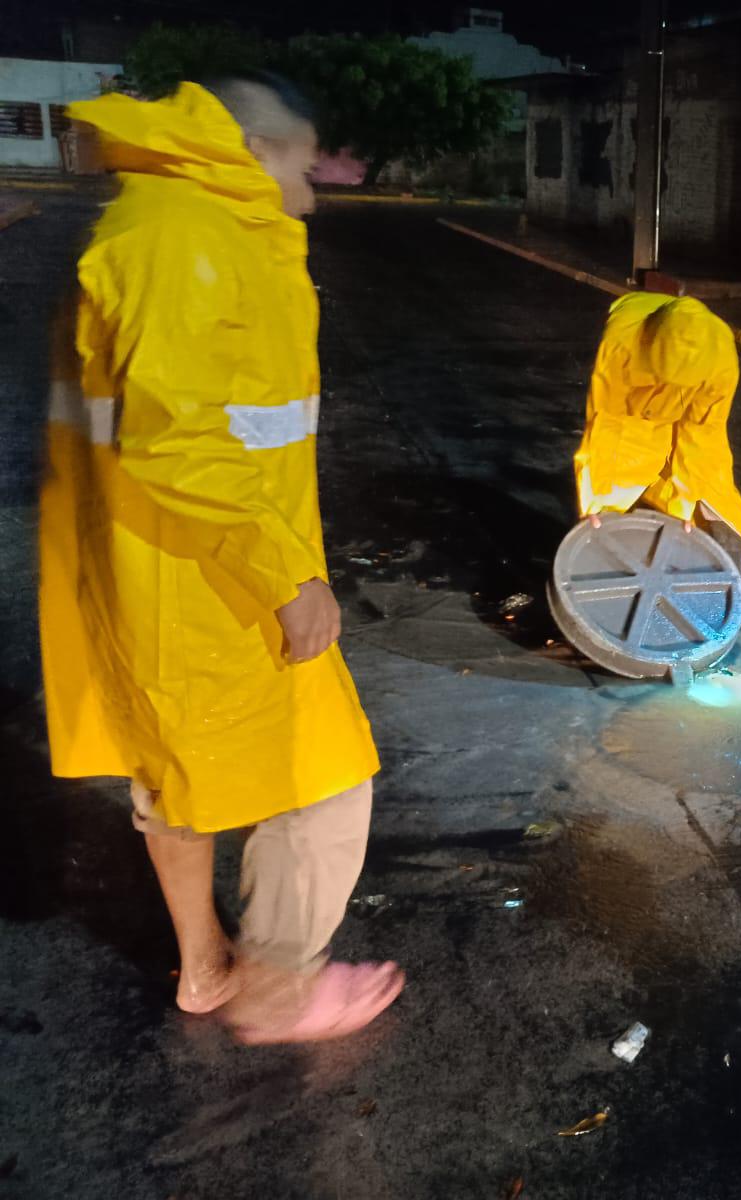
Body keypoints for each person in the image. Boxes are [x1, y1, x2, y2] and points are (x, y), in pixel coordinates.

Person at [37, 74, 402, 1042]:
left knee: (178, 774)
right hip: (205, 577)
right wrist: (283, 575)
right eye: (301, 160)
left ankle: (206, 969)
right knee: (322, 777)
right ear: (255, 148)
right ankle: (280, 987)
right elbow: (180, 438)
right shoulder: (185, 240)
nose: (314, 188)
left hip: (159, 565)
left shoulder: (164, 222)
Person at [573, 292, 741, 621]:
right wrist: (598, 500)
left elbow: (702, 436)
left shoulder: (719, 358)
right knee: (626, 472)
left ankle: (739, 593)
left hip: (695, 407)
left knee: (713, 489)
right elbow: (607, 424)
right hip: (633, 411)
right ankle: (611, 569)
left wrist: (686, 503)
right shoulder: (620, 342)